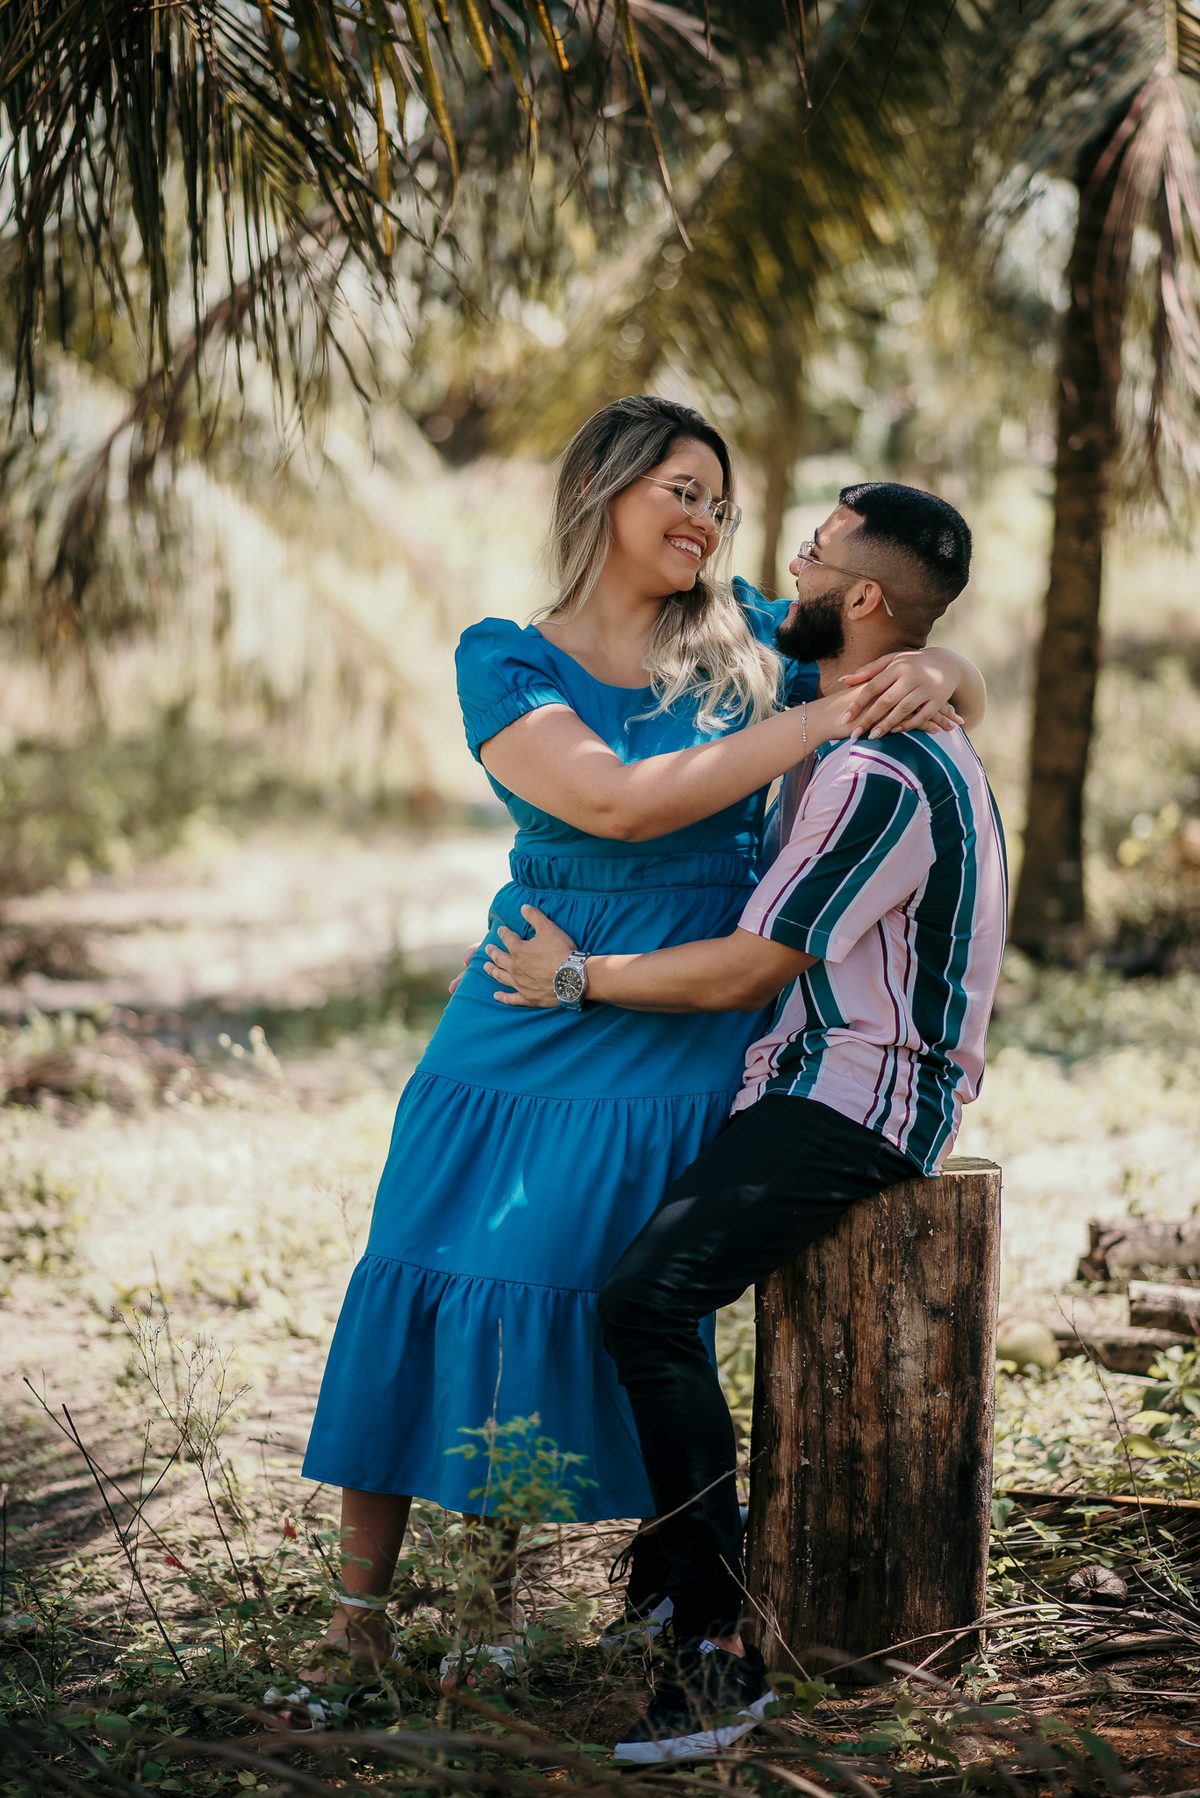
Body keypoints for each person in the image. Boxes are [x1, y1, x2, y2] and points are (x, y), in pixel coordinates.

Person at [300, 400, 986, 1681]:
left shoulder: (747, 638)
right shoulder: (506, 657)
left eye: (720, 502)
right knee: (420, 1265)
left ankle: (495, 1603)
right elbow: (612, 803)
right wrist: (829, 717)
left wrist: (941, 672)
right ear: (600, 491)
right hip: (527, 996)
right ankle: (357, 1619)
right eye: (682, 490)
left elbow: (904, 640)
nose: (707, 520)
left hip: (675, 1013)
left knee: (555, 1279)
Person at [486, 481, 1008, 1762]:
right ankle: (676, 1589)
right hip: (808, 1076)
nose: (789, 564)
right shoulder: (844, 718)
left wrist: (576, 977)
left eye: (813, 553)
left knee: (648, 1300)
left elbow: (748, 969)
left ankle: (714, 1648)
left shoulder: (877, 766)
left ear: (864, 596)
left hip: (864, 1096)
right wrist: (947, 663)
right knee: (647, 1282)